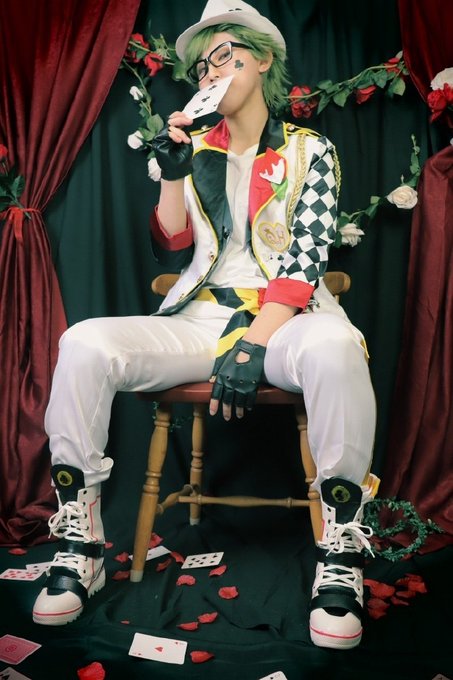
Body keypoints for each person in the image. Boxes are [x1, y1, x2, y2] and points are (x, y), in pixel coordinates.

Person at [32, 0, 378, 650]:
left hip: (286, 321)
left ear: (263, 59)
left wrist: (255, 344)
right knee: (84, 342)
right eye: (202, 65)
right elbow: (171, 243)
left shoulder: (311, 151)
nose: (211, 71)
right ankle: (83, 543)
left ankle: (341, 552)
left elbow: (304, 262)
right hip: (200, 316)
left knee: (336, 348)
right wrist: (172, 171)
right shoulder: (196, 147)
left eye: (224, 55)